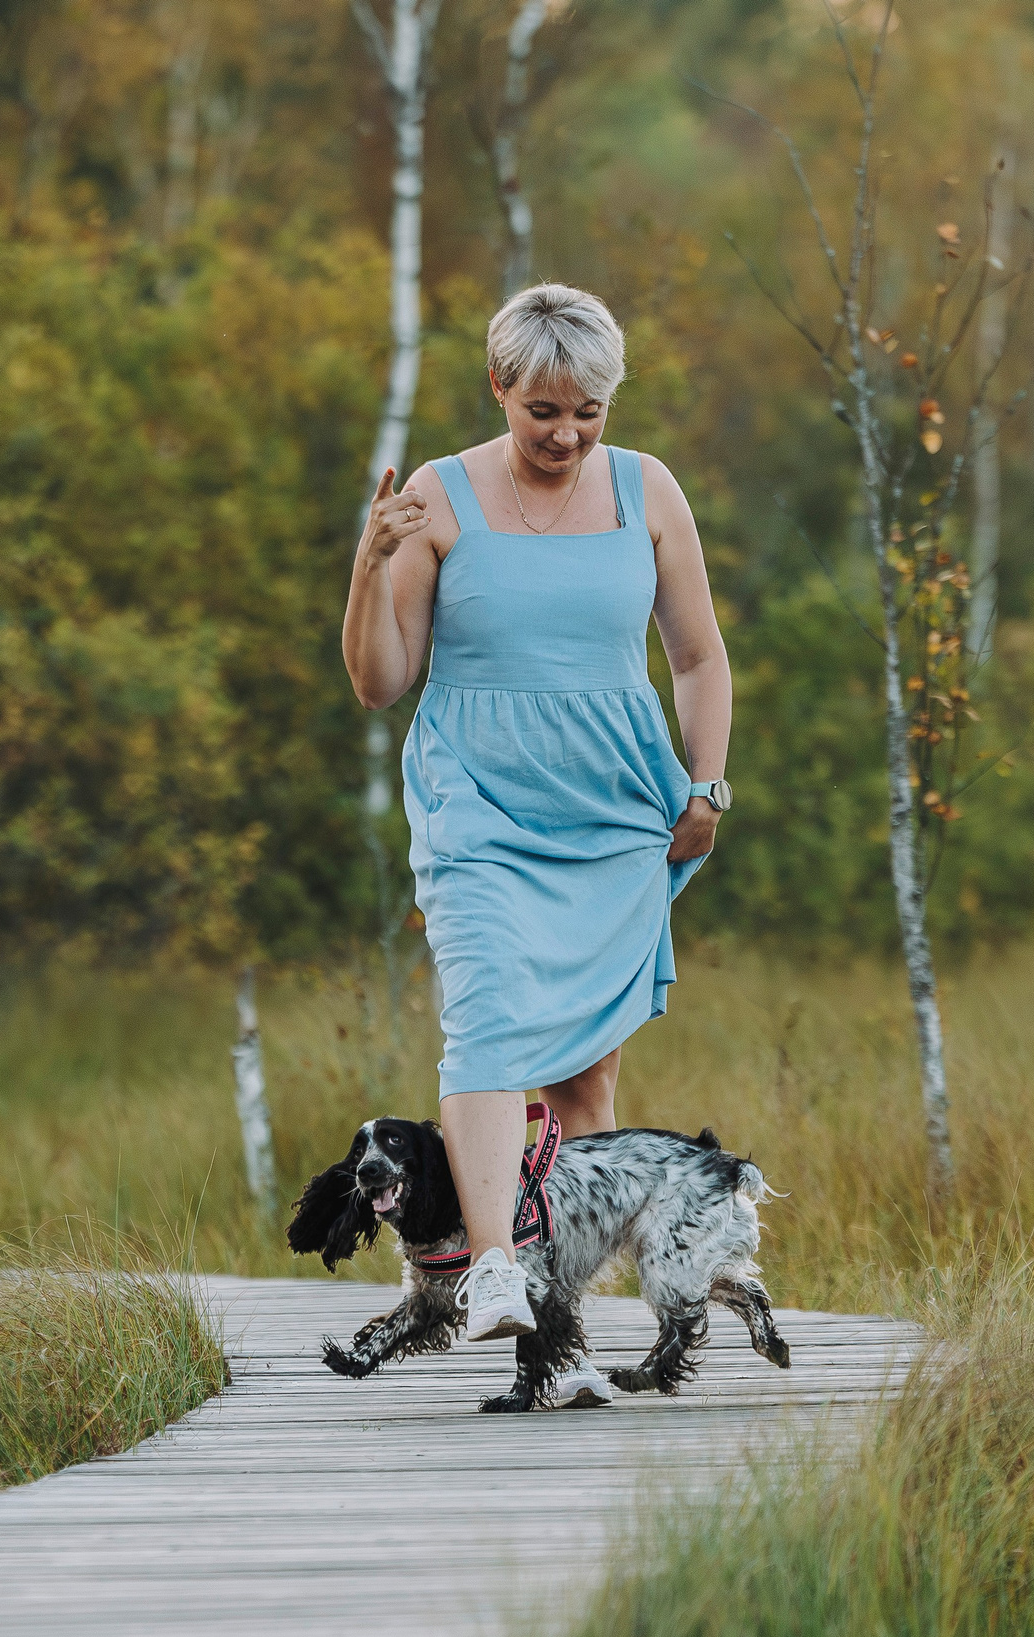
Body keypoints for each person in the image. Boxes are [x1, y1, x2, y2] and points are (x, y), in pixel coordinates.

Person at [341, 282, 732, 1344]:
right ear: (498, 387)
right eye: (542, 411)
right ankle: (497, 1268)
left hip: (613, 811)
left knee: (584, 1074)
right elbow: (381, 680)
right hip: (479, 802)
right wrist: (369, 569)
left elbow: (695, 655)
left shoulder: (648, 493)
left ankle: (558, 1291)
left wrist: (706, 782)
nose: (565, 434)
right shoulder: (439, 495)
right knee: (487, 1027)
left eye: (587, 413)